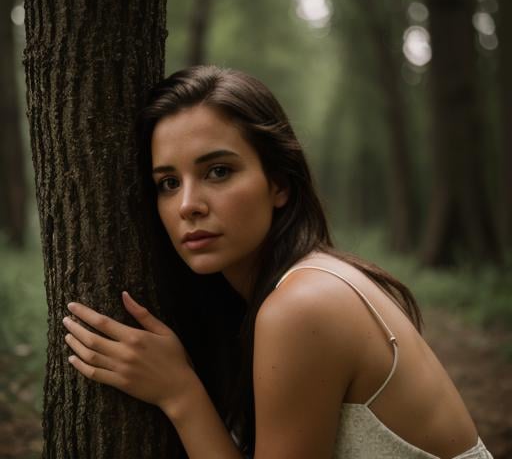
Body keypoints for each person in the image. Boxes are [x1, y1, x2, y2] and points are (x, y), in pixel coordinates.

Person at [62, 65, 493, 458]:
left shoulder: (302, 306)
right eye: (169, 182)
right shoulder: (283, 291)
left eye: (218, 171)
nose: (188, 205)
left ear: (279, 184)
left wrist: (179, 392)